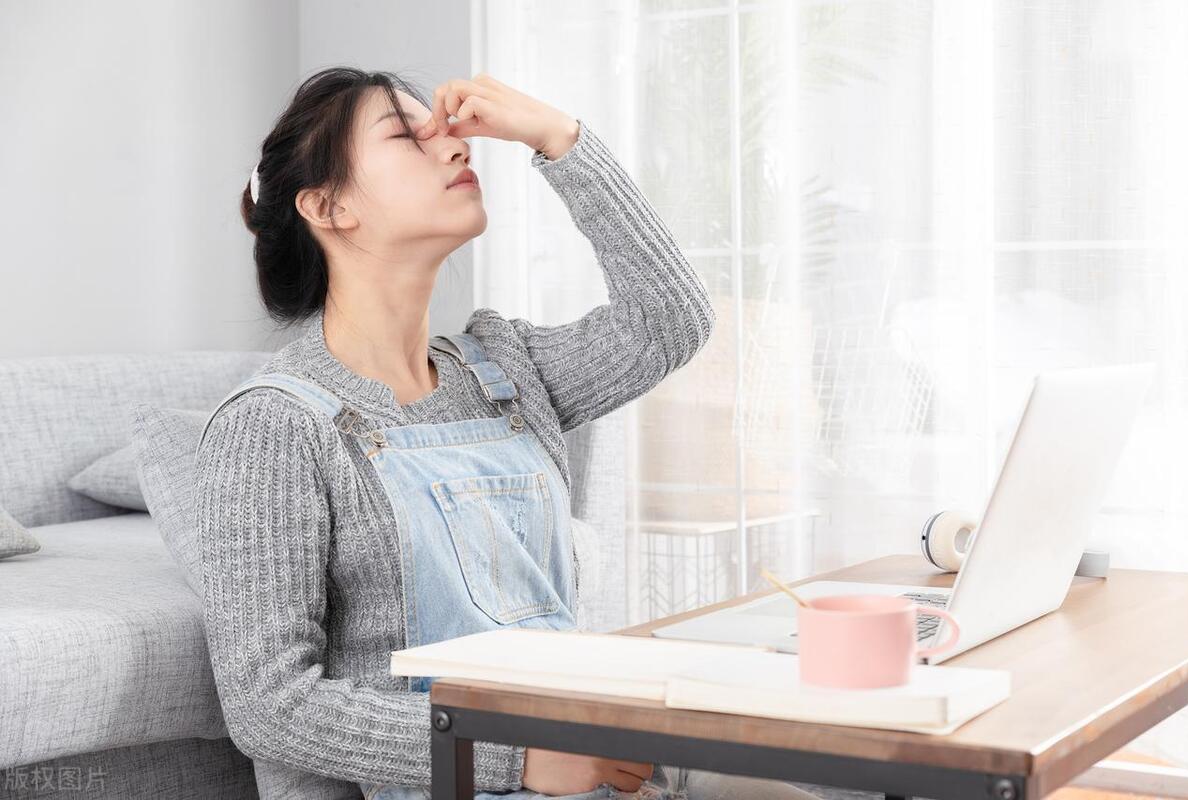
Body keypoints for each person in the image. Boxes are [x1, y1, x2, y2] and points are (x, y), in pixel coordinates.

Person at [193, 67, 822, 800]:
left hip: (595, 754)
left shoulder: (504, 367)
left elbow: (670, 320)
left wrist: (559, 138)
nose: (456, 147)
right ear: (327, 206)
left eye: (444, 130)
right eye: (406, 137)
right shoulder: (273, 426)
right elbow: (270, 707)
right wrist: (514, 758)